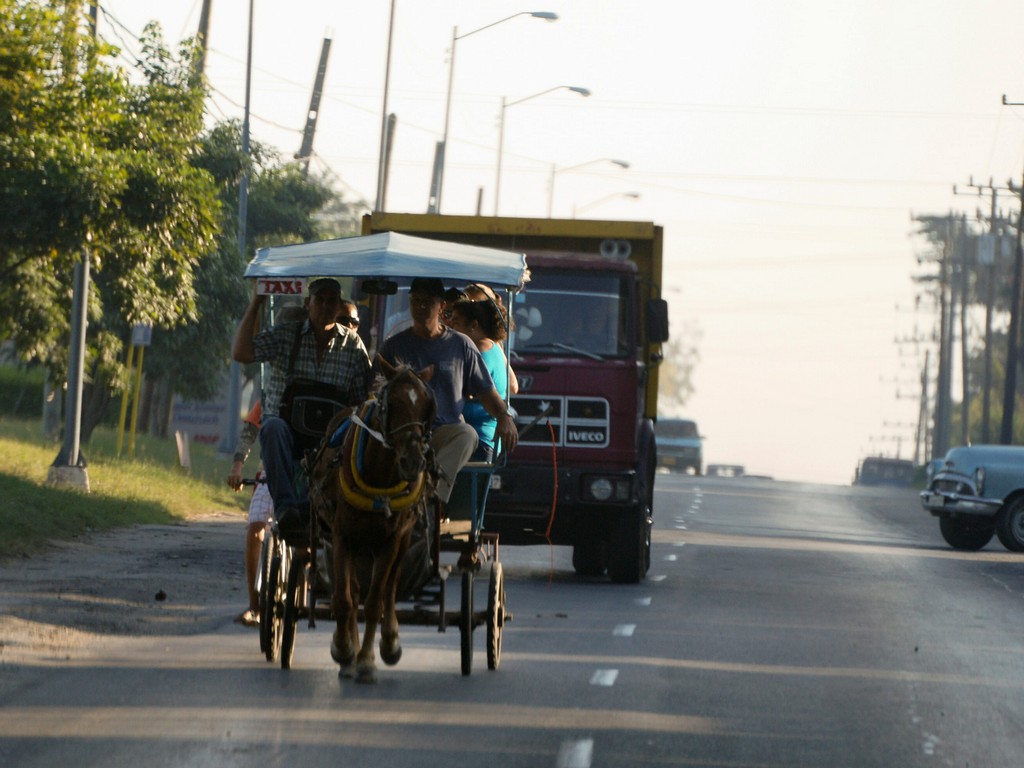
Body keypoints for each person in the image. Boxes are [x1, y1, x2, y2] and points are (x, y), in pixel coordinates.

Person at [232, 278, 372, 539]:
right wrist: (256, 304)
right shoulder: (287, 334)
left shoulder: (353, 346)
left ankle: (329, 510)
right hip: (289, 434)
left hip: (331, 440)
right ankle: (287, 510)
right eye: (320, 300)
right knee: (272, 427)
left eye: (332, 301)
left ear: (339, 306)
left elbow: (361, 400)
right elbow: (241, 353)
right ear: (308, 303)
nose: (326, 307)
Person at [375, 277, 518, 505]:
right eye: (416, 301)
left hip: (442, 433)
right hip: (400, 434)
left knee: (468, 434)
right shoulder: (394, 346)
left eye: (428, 302)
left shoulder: (461, 345)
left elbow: (488, 394)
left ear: (442, 307)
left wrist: (504, 416)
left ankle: (428, 497)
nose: (421, 307)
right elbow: (373, 394)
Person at [446, 298, 512, 462]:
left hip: (476, 440)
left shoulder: (480, 350)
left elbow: (468, 390)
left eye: (456, 323)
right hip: (484, 440)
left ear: (474, 325)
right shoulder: (495, 346)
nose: (450, 328)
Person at [226, 401, 272, 627]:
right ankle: (254, 607)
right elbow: (249, 432)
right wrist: (236, 468)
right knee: (255, 529)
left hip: (312, 473)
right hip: (271, 472)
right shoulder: (273, 392)